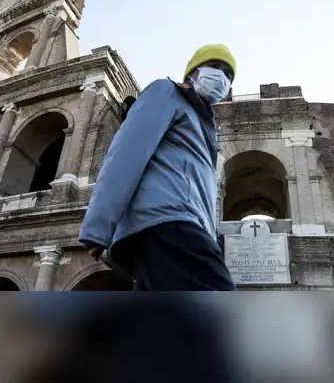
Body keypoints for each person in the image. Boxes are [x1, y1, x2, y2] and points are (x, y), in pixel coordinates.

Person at [78, 44, 237, 291]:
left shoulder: (204, 125)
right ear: (193, 71)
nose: (221, 77)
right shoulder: (166, 93)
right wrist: (98, 226)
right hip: (170, 226)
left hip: (183, 230)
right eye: (215, 66)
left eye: (228, 74)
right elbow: (127, 152)